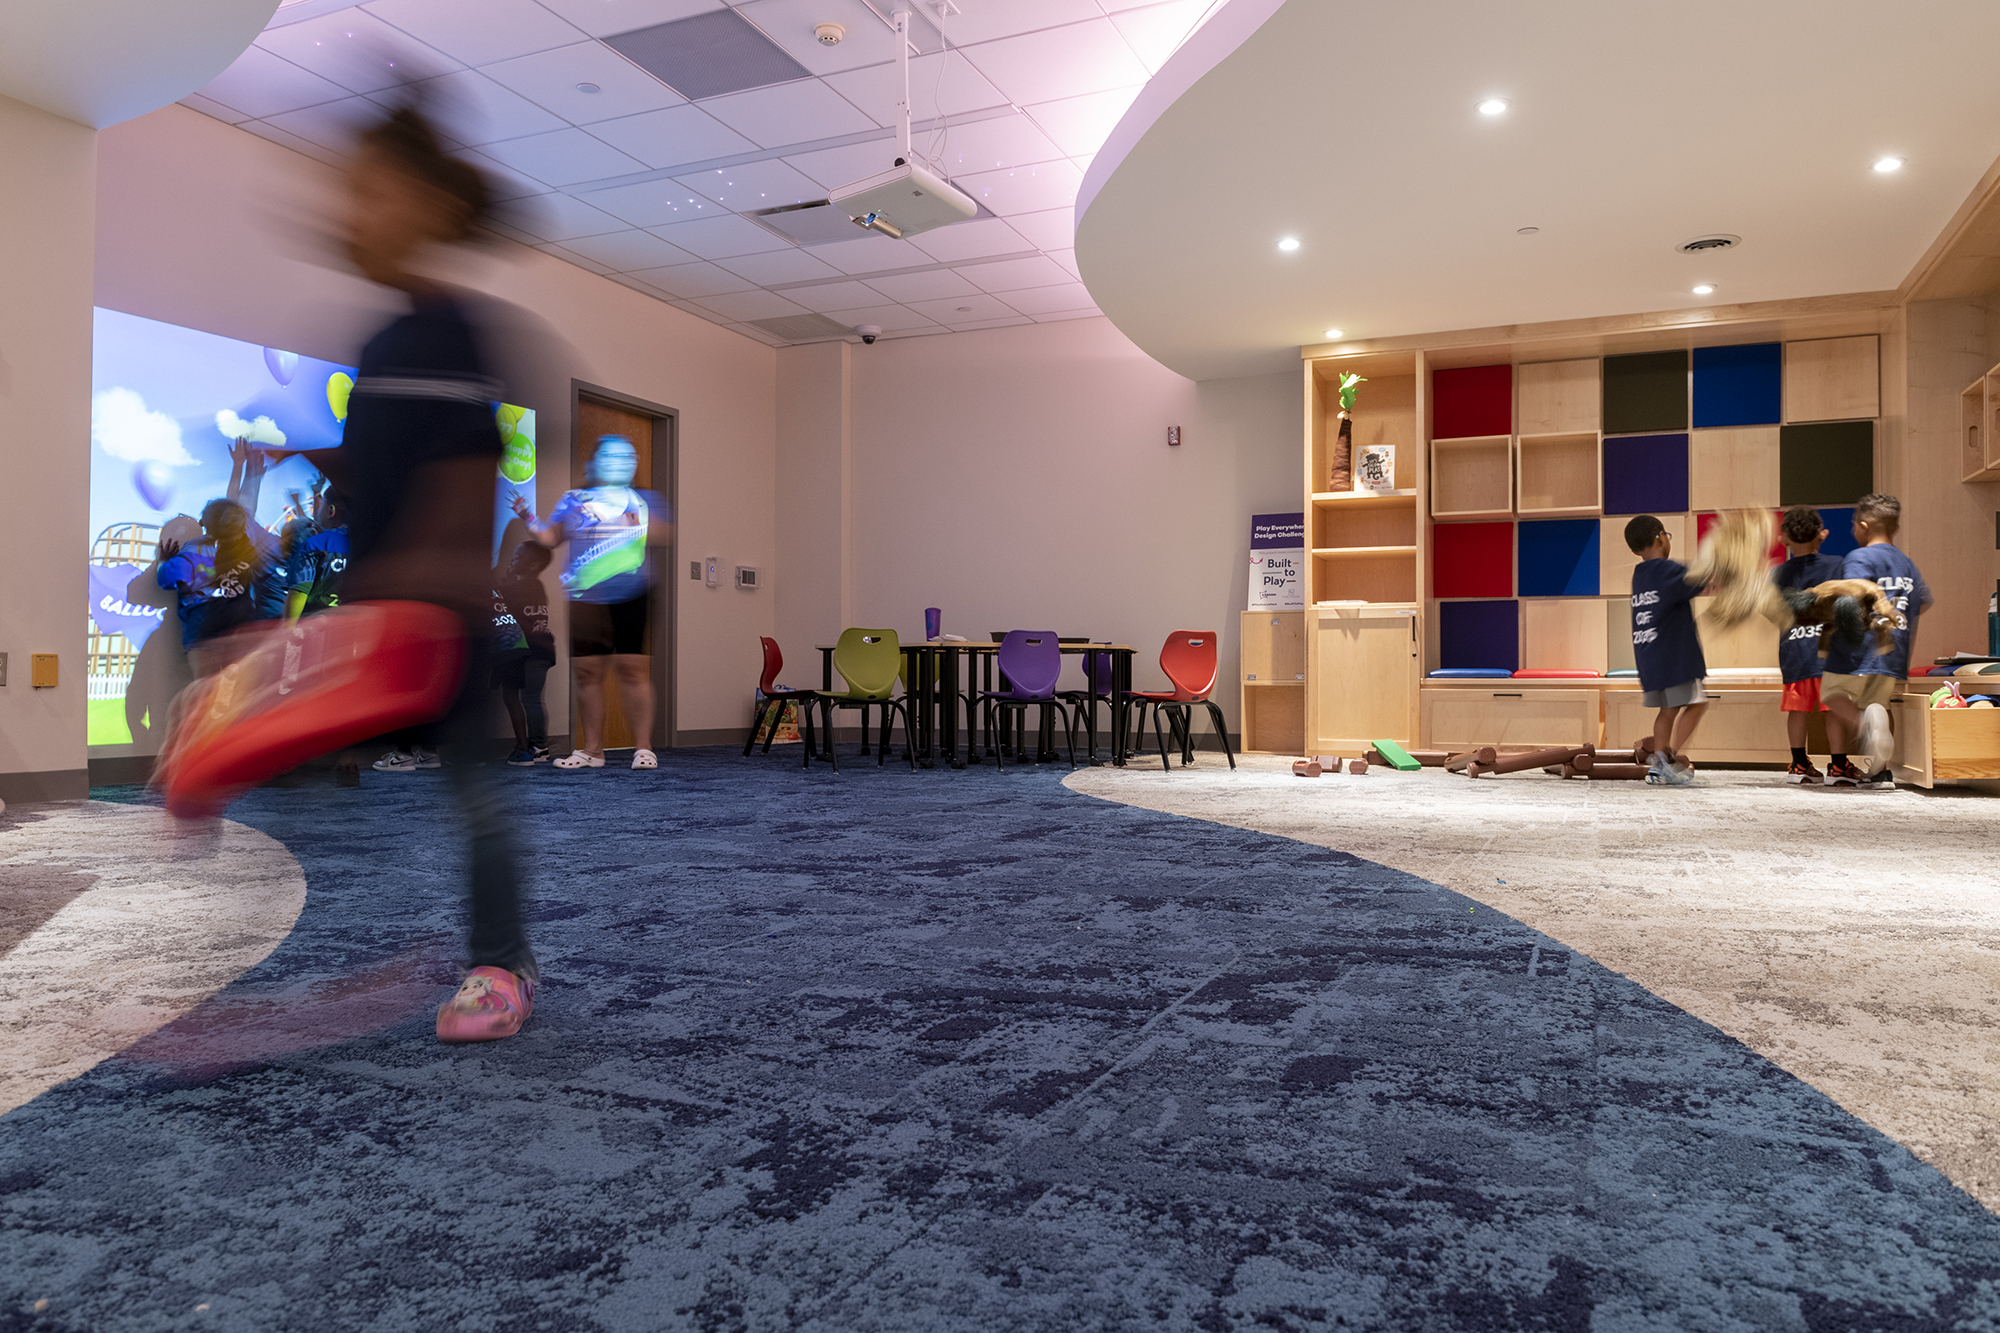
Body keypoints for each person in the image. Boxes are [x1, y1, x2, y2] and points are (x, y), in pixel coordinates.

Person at [274, 104, 540, 1042]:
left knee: (475, 796)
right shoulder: (384, 344)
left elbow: (467, 472)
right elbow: (379, 467)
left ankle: (502, 966)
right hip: (380, 613)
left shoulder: (451, 331)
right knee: (301, 765)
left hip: (438, 624)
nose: (347, 212)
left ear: (425, 205)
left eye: (366, 191)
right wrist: (308, 461)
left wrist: (417, 584)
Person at [512, 434, 668, 771]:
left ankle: (644, 748)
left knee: (633, 670)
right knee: (586, 674)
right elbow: (551, 538)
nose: (620, 461)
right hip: (585, 598)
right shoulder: (573, 499)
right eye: (611, 456)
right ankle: (593, 751)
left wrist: (630, 520)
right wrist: (527, 517)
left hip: (633, 593)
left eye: (628, 456)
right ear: (593, 463)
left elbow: (664, 532)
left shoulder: (643, 499)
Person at [1822, 494, 1933, 788]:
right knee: (1880, 705)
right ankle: (1881, 772)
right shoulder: (1906, 563)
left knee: (1832, 696)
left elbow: (1853, 597)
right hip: (1894, 650)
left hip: (1857, 648)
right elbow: (1922, 601)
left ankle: (1865, 727)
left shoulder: (1859, 557)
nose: (1851, 531)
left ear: (1864, 525)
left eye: (1853, 526)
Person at [1627, 514, 1707, 786]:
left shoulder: (1641, 575)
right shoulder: (1667, 570)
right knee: (1697, 704)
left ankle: (1659, 766)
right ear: (1661, 537)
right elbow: (1700, 579)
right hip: (1675, 658)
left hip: (1650, 658)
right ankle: (1668, 758)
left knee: (1667, 710)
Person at [1772, 506, 1847, 785]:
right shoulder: (1838, 564)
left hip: (1794, 651)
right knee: (1835, 708)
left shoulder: (1777, 574)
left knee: (1797, 710)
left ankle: (1798, 764)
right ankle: (1839, 766)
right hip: (1829, 652)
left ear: (1784, 539)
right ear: (1822, 535)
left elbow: (1769, 611)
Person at [497, 541, 555, 764]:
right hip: (543, 650)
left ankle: (538, 746)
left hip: (531, 650)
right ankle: (540, 747)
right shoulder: (537, 586)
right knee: (534, 698)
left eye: (518, 557)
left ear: (533, 565)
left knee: (530, 699)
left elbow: (499, 601)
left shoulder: (515, 588)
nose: (513, 560)